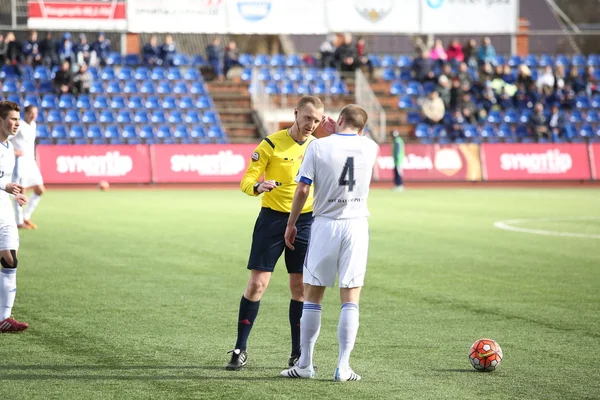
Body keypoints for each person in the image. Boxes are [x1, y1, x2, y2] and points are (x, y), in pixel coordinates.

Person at [226, 96, 336, 371]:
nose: (312, 124)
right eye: (308, 118)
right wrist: (259, 187)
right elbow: (247, 179)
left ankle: (297, 353)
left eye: (317, 120)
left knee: (299, 288)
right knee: (257, 285)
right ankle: (240, 348)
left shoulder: (320, 146)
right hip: (272, 220)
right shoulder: (271, 143)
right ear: (296, 113)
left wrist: (338, 135)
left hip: (306, 222)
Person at [279, 104, 378, 382]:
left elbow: (302, 188)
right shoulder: (370, 147)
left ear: (339, 119)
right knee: (351, 298)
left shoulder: (318, 147)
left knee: (312, 296)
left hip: (324, 225)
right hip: (356, 226)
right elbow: (354, 140)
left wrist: (291, 222)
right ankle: (343, 368)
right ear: (362, 128)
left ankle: (305, 365)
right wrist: (343, 130)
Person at [0, 100, 29, 332]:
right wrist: (4, 185)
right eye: (12, 119)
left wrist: (14, 191)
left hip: (5, 210)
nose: (16, 124)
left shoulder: (9, 147)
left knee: (10, 260)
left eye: (18, 119)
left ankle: (4, 318)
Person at [11, 105, 45, 230]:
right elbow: (5, 139)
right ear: (25, 113)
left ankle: (26, 216)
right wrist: (14, 151)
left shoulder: (34, 125)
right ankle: (19, 221)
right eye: (31, 113)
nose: (33, 115)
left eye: (35, 113)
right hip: (20, 163)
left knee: (40, 189)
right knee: (21, 192)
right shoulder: (18, 124)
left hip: (31, 162)